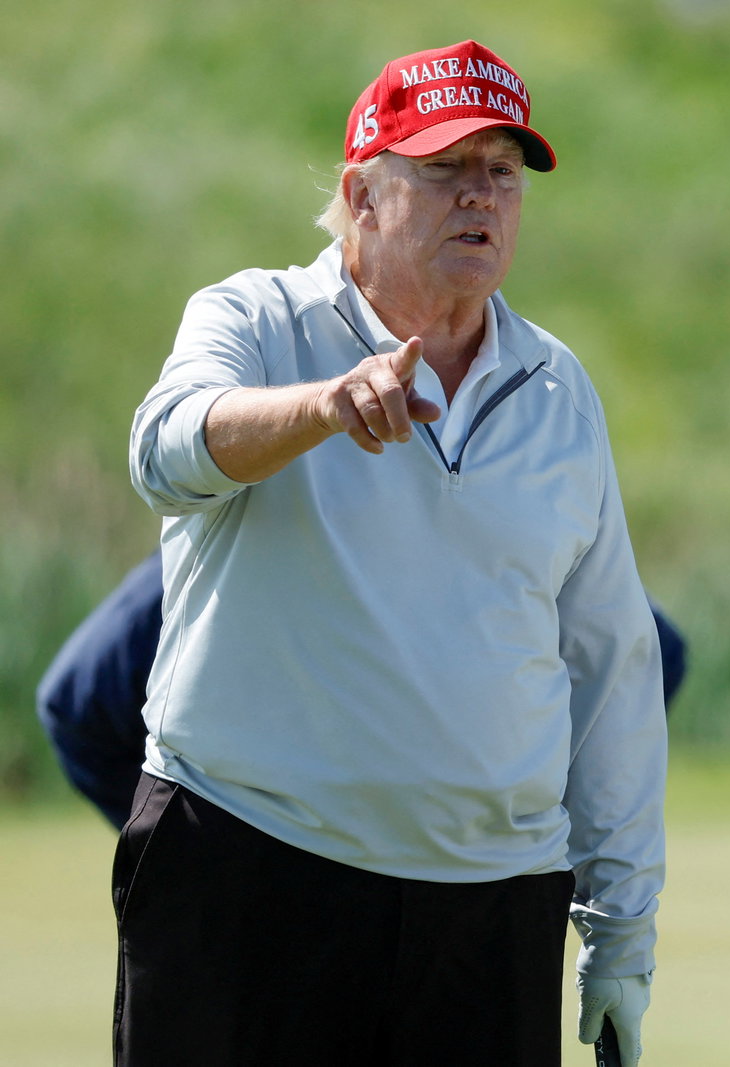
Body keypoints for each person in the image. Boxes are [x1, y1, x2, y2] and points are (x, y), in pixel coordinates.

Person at [120, 41, 665, 1066]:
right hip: (248, 874)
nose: (482, 197)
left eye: (503, 172)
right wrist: (323, 407)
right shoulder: (254, 318)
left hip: (490, 913)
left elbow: (609, 665)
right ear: (361, 194)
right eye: (446, 168)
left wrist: (621, 928)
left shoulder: (557, 388)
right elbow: (165, 450)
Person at [36, 550, 688, 829]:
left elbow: (648, 651)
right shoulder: (241, 529)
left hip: (458, 903)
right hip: (270, 916)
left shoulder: (487, 520)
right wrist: (195, 852)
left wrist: (540, 808)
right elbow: (77, 704)